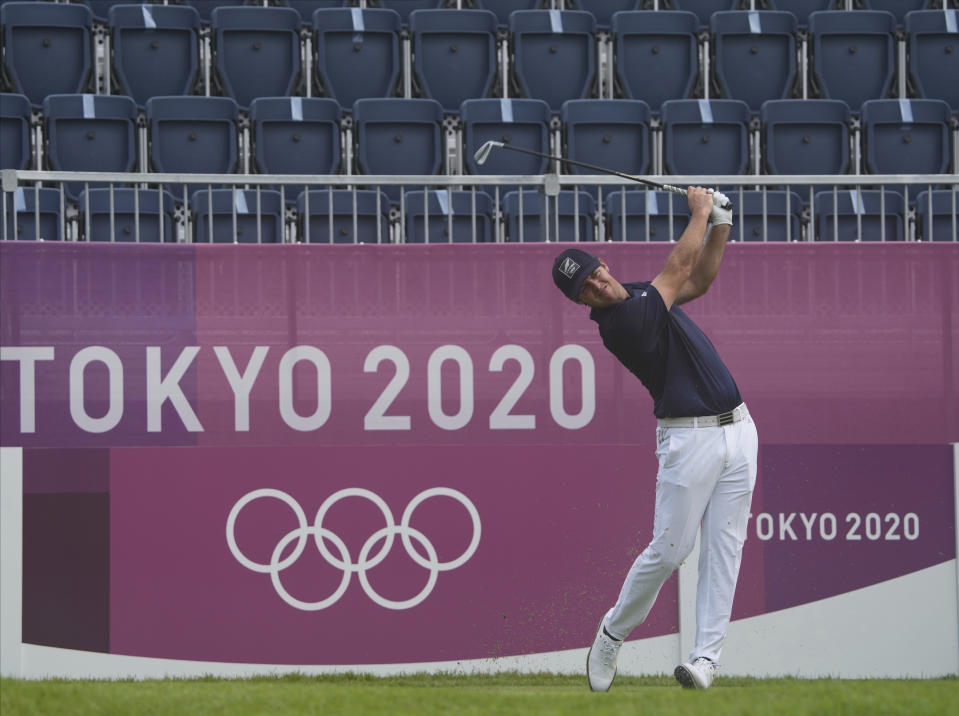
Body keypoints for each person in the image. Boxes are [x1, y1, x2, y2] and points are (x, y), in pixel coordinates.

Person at [551, 187, 758, 692]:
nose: (597, 285)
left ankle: (705, 659)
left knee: (725, 549)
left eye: (595, 272)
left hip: (739, 429)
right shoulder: (619, 323)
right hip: (688, 440)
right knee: (671, 549)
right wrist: (702, 212)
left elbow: (700, 278)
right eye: (586, 289)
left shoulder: (642, 292)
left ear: (602, 263)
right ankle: (612, 631)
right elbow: (680, 265)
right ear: (581, 302)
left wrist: (722, 225)